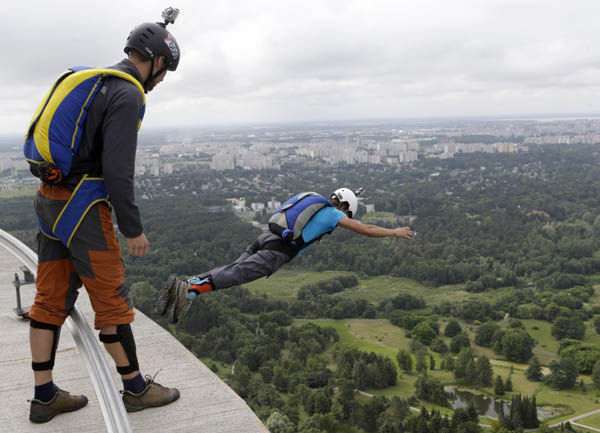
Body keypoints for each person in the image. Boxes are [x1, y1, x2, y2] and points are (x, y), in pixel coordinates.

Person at [26, 11, 181, 423]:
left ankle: (44, 397)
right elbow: (117, 170)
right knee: (112, 301)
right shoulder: (127, 93)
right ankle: (137, 389)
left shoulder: (95, 82)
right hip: (83, 209)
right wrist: (133, 229)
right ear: (155, 60)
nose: (163, 80)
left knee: (49, 298)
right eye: (165, 71)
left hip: (48, 201)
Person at [157, 188, 414, 324]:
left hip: (264, 238)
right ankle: (189, 287)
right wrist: (394, 232)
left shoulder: (313, 203)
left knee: (230, 269)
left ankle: (186, 291)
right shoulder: (333, 214)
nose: (345, 220)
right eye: (348, 214)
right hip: (278, 251)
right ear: (344, 207)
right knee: (236, 275)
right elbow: (366, 230)